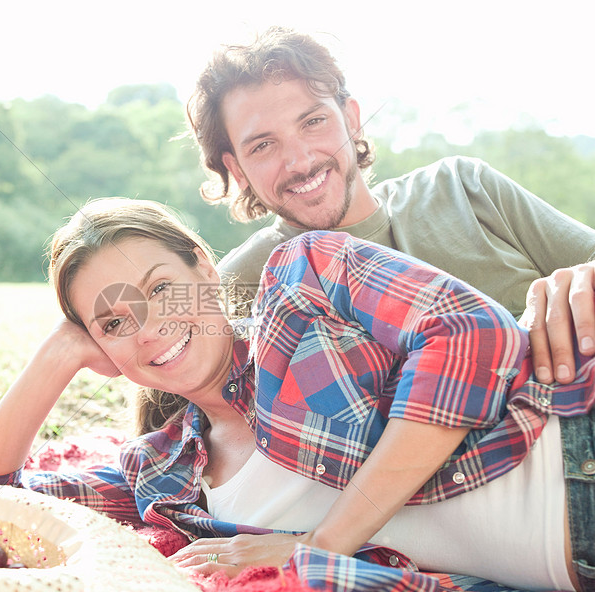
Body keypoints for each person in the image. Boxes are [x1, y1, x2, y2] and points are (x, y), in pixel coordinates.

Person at [0, 198, 594, 592]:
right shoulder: (160, 473)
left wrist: (316, 546)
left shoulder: (300, 277)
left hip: (573, 444)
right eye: (112, 323)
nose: (147, 329)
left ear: (204, 270)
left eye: (160, 289)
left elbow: (467, 331)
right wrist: (51, 361)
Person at [185, 26, 595, 387]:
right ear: (236, 169)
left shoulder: (464, 187)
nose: (301, 161)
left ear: (352, 119)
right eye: (264, 145)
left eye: (313, 122)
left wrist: (579, 284)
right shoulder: (235, 288)